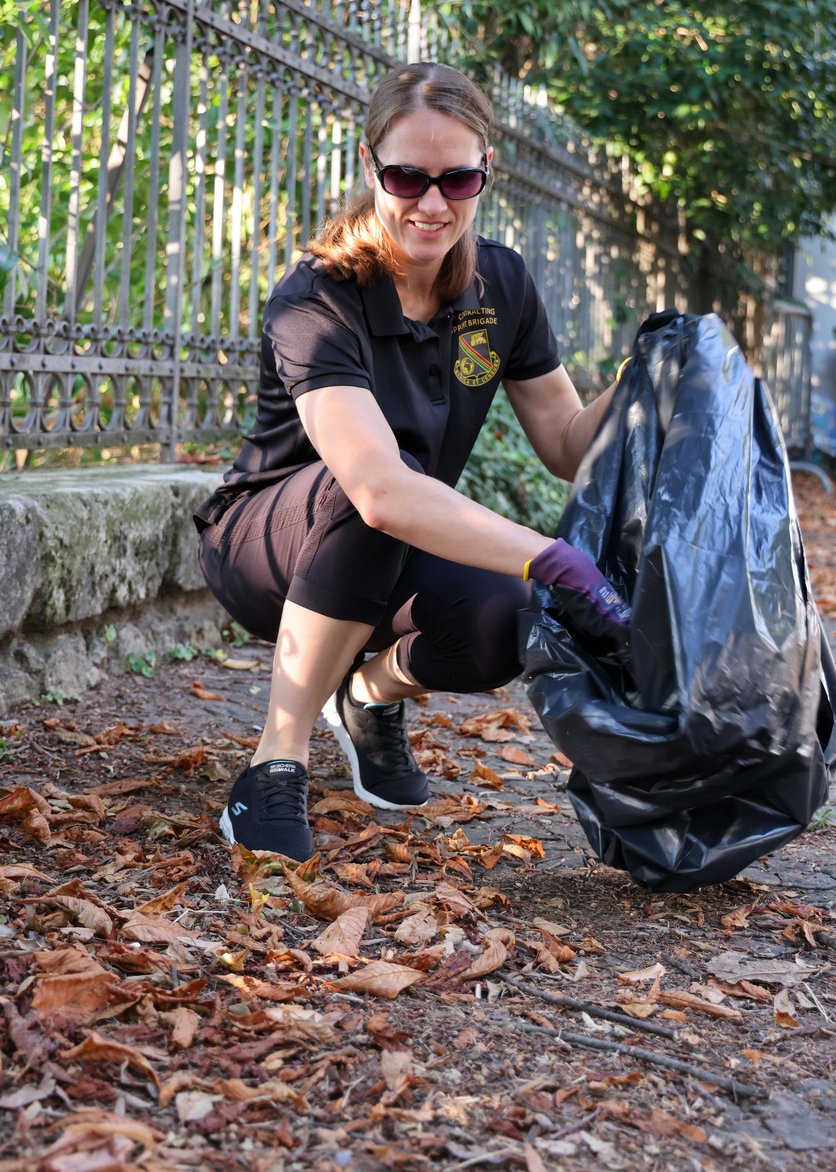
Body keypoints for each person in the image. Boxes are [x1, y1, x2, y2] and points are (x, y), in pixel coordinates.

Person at [193, 63, 628, 861]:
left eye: (458, 178)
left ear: (485, 171)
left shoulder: (502, 285)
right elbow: (379, 489)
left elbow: (568, 442)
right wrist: (553, 558)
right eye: (407, 176)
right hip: (266, 547)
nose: (433, 203)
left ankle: (366, 695)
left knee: (503, 620)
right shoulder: (317, 297)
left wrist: (644, 378)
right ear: (370, 167)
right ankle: (273, 763)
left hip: (388, 536)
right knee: (376, 494)